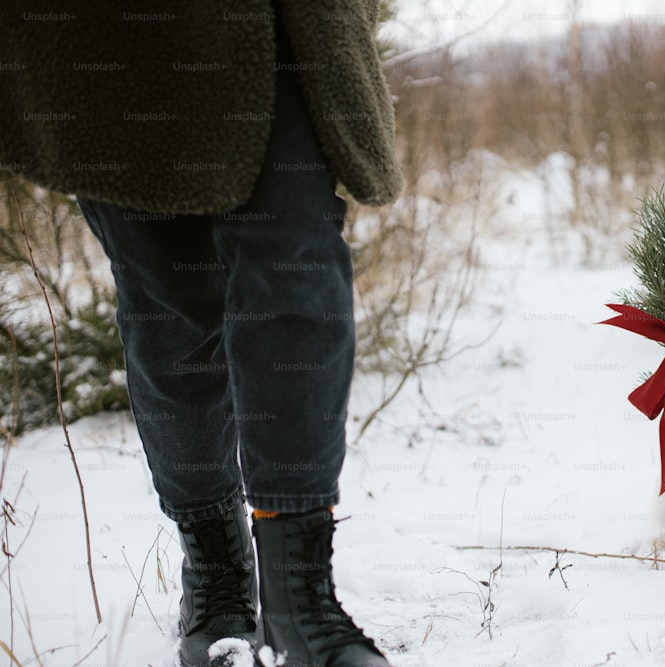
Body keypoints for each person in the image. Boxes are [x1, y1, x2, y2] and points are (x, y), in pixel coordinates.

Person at [0, 2, 403, 666]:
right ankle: (216, 569)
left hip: (282, 23)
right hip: (104, 37)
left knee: (297, 264)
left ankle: (302, 598)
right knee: (171, 305)